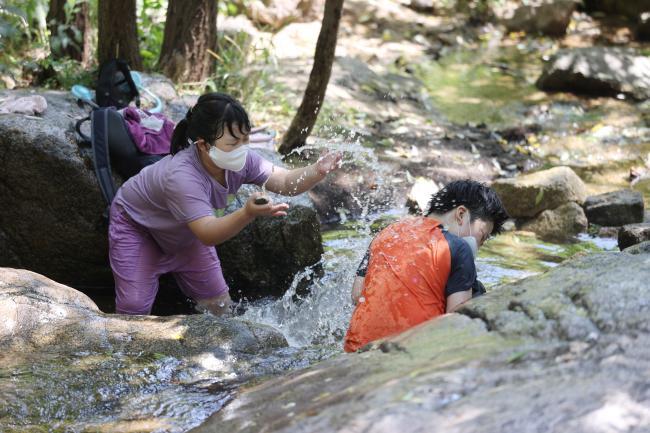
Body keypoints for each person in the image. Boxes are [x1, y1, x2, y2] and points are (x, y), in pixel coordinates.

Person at [109, 92, 341, 316]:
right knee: (134, 313)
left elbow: (285, 182)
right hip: (139, 228)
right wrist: (247, 212)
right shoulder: (182, 176)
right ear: (203, 145)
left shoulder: (242, 159)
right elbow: (208, 234)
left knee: (220, 308)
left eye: (246, 139)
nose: (242, 148)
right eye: (233, 143)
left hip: (186, 233)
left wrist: (317, 170)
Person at [344, 180, 508, 352]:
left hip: (356, 348)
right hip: (409, 353)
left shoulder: (388, 232)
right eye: (482, 236)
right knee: (477, 292)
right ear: (461, 214)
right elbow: (457, 324)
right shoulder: (458, 248)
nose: (479, 246)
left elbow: (357, 294)